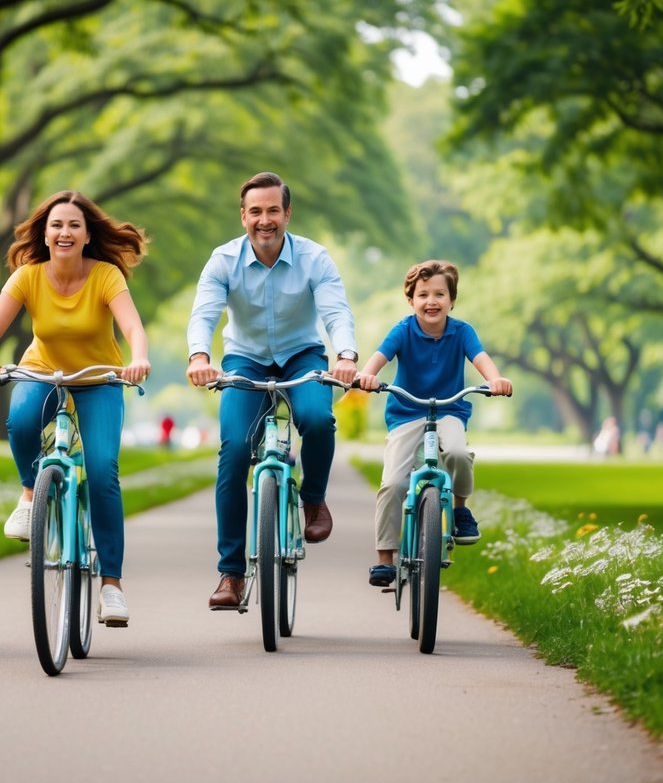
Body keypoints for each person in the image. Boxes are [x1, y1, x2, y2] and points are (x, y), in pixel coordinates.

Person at [0, 191, 150, 627]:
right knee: (22, 420)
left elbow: (132, 326)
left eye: (73, 226)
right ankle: (31, 493)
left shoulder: (105, 275)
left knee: (102, 470)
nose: (64, 232)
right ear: (45, 234)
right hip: (43, 370)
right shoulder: (29, 276)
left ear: (87, 236)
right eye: (56, 225)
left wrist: (137, 358)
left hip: (100, 378)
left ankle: (111, 586)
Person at [186, 171, 359, 610]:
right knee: (234, 453)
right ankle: (231, 573)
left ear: (287, 214)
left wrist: (346, 356)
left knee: (318, 419)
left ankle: (314, 500)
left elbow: (336, 310)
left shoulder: (315, 258)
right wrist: (199, 357)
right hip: (245, 358)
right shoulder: (223, 260)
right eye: (256, 212)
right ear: (243, 216)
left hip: (303, 354)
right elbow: (204, 313)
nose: (266, 220)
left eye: (273, 211)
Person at [354, 259, 513, 588]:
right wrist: (367, 376)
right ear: (411, 300)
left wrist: (495, 379)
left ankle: (459, 509)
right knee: (394, 483)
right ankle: (385, 557)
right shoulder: (403, 330)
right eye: (423, 294)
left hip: (449, 410)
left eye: (440, 294)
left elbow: (481, 358)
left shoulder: (462, 331)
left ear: (451, 300)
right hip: (406, 412)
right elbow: (380, 357)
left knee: (457, 452)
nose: (431, 301)